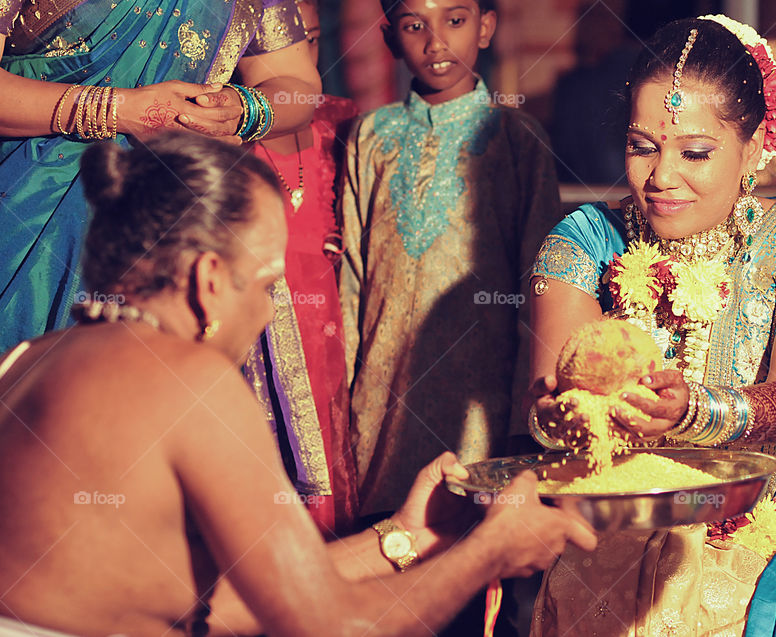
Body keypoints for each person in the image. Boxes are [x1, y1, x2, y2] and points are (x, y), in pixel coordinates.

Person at [0, 133, 597, 637]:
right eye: (265, 286)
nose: (267, 314)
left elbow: (220, 601)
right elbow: (330, 627)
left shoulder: (28, 358)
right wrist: (492, 550)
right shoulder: (190, 380)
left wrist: (406, 537)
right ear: (210, 280)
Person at [526, 15, 776, 636]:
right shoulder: (582, 246)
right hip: (611, 545)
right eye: (642, 146)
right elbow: (554, 410)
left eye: (695, 152)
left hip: (770, 553)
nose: (661, 177)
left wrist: (689, 412)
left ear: (757, 145)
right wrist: (561, 411)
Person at [339, 0, 562, 520]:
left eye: (455, 21)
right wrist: (343, 404)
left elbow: (541, 286)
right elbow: (351, 278)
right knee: (386, 558)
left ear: (485, 27)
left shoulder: (517, 138)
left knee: (473, 556)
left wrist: (522, 416)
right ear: (390, 36)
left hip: (482, 406)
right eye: (414, 25)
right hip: (378, 404)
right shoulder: (370, 136)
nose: (435, 42)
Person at [0, 0, 322, 353]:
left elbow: (298, 85)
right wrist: (118, 110)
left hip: (170, 221)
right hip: (25, 203)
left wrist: (242, 109)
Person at [247, 0, 360, 540]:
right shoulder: (225, 133)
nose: (300, 61)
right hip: (258, 318)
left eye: (310, 41)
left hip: (333, 320)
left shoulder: (342, 124)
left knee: (334, 445)